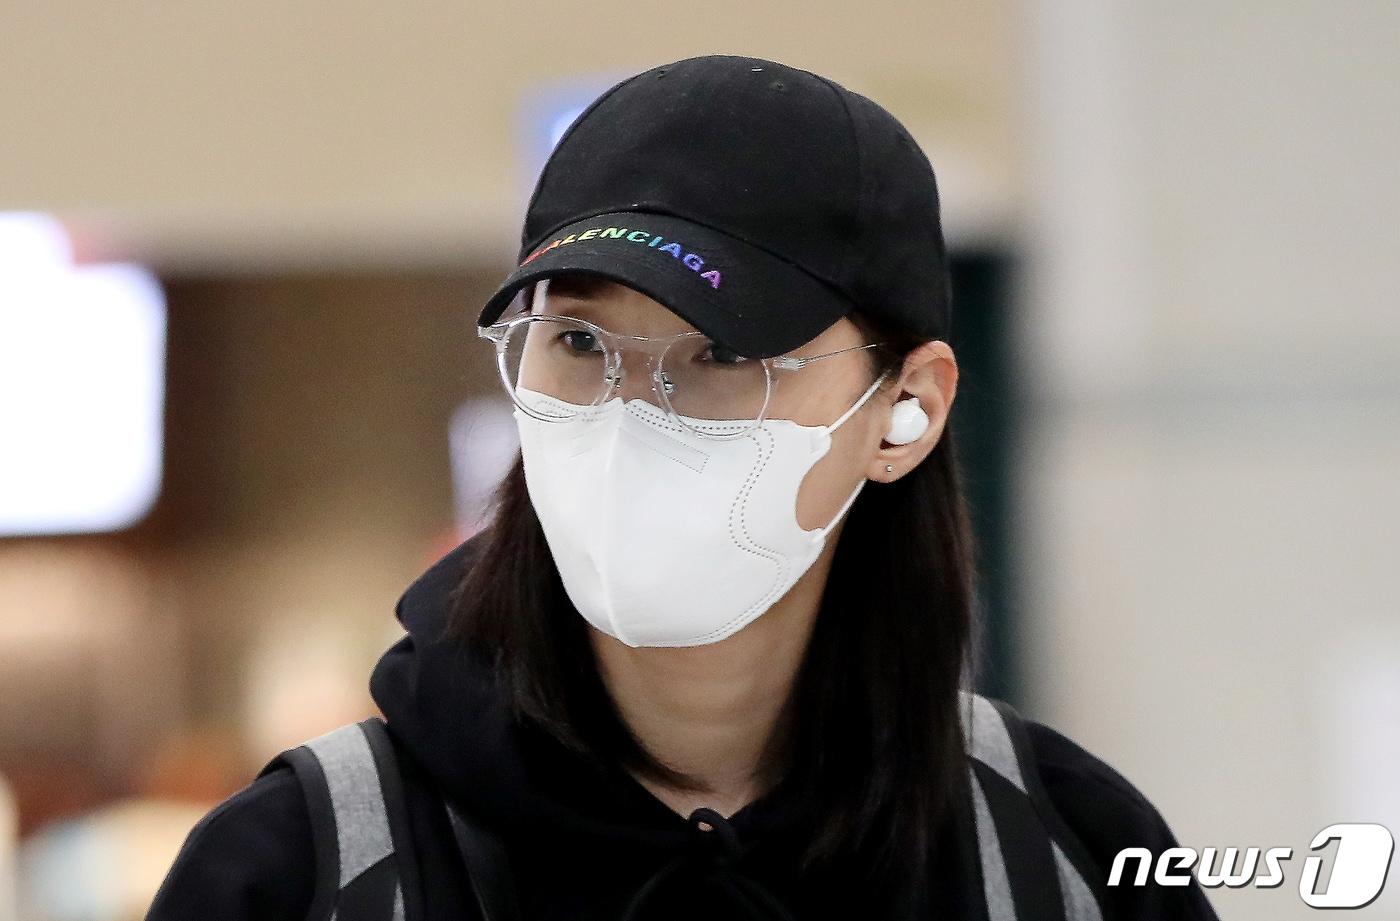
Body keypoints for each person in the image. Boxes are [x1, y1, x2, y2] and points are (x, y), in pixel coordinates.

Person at [148, 54, 1219, 921]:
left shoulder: (1063, 853)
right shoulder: (304, 866)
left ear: (908, 408)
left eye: (723, 354)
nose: (629, 413)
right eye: (577, 342)